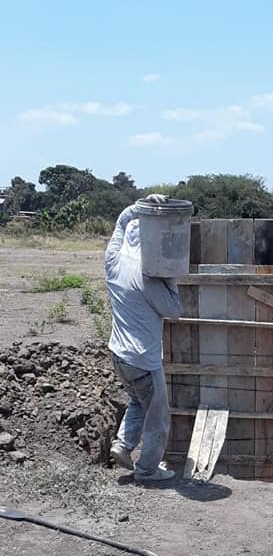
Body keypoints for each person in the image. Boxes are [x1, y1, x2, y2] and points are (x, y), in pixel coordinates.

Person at [105, 195, 181, 481]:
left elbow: (121, 222)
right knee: (158, 418)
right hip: (143, 361)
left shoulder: (113, 261)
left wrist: (141, 206)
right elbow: (174, 310)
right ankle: (148, 471)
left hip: (118, 354)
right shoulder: (148, 277)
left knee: (138, 402)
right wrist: (170, 274)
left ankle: (123, 445)